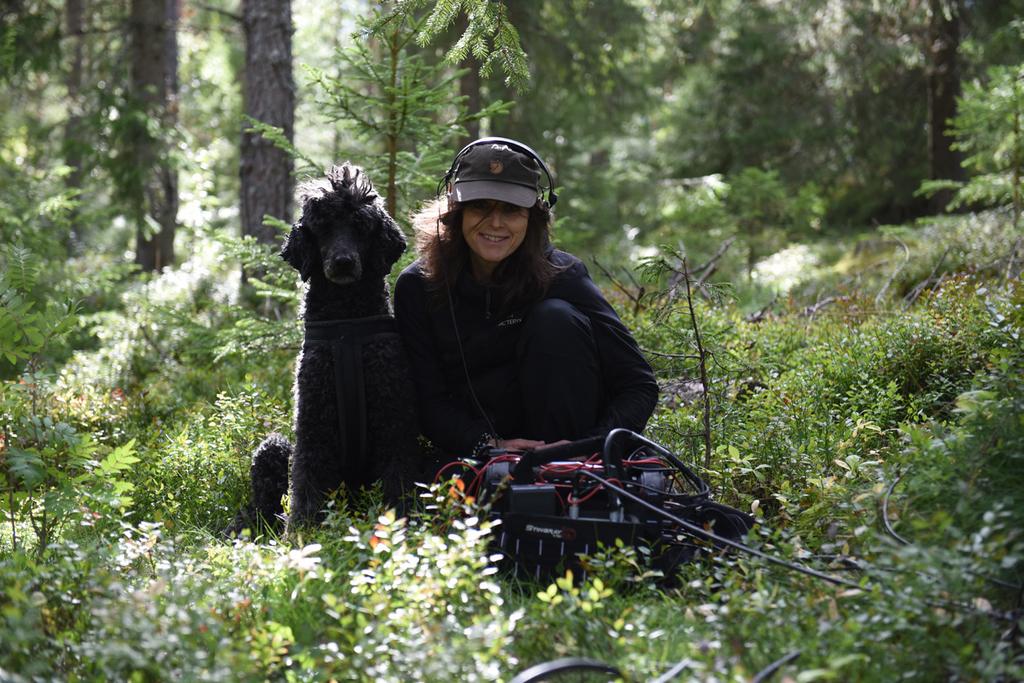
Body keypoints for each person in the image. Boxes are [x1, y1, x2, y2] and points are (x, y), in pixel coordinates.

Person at [394, 137, 658, 460]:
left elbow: (638, 385)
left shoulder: (563, 275)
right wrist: (487, 446)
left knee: (555, 318)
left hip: (570, 454)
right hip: (475, 456)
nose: (495, 223)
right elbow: (426, 401)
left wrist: (588, 447)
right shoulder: (418, 286)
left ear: (533, 217)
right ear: (454, 210)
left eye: (511, 209)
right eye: (480, 206)